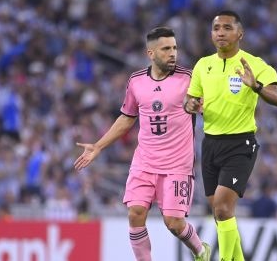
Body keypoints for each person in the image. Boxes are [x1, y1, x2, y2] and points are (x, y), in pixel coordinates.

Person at [74, 27, 211, 261]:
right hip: (144, 162)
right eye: (166, 48)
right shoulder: (136, 81)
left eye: (175, 48)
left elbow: (207, 106)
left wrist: (202, 107)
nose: (172, 53)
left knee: (174, 223)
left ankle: (200, 250)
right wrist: (98, 146)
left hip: (177, 165)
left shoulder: (188, 79)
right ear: (151, 53)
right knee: (135, 214)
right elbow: (127, 118)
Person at [184, 10, 277, 261]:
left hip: (240, 143)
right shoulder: (202, 65)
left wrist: (257, 86)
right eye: (217, 28)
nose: (221, 33)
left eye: (227, 28)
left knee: (222, 207)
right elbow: (190, 100)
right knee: (220, 213)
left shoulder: (255, 64)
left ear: (240, 33)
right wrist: (191, 106)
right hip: (210, 144)